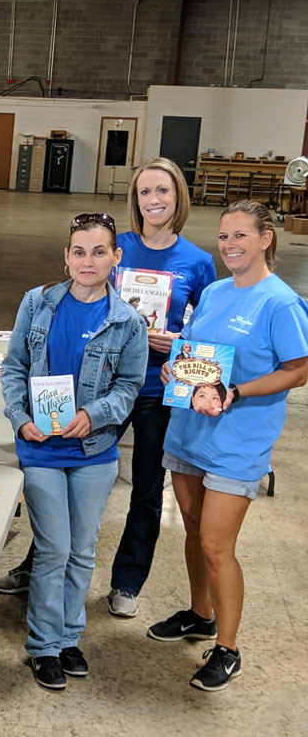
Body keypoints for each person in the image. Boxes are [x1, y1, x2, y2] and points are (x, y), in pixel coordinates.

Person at [0, 159, 217, 623]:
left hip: (156, 387)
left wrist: (181, 343)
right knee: (65, 466)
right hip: (94, 385)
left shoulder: (197, 262)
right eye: (144, 192)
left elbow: (206, 334)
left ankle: (126, 582)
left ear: (179, 197)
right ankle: (40, 565)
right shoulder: (117, 245)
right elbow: (76, 295)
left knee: (147, 489)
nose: (154, 200)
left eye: (163, 191)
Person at [149, 201, 308, 692]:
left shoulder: (279, 302)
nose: (230, 245)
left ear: (266, 240)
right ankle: (201, 614)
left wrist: (235, 391)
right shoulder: (216, 292)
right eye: (223, 237)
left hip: (238, 443)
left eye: (241, 236)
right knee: (194, 534)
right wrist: (173, 368)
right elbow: (194, 352)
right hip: (189, 431)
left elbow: (298, 369)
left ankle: (229, 647)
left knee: (218, 546)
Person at [0, 212, 146, 690]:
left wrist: (97, 413)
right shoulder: (37, 304)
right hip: (41, 449)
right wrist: (21, 418)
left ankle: (68, 637)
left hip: (94, 450)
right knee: (54, 548)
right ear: (66, 257)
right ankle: (43, 645)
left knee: (82, 552)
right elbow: (14, 368)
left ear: (115, 257)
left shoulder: (128, 322)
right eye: (79, 251)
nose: (88, 260)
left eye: (99, 251)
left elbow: (129, 385)